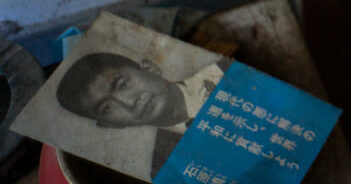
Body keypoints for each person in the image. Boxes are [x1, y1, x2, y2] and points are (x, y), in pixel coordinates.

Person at [56, 52, 229, 175]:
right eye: (107, 108)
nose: (129, 103)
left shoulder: (227, 67)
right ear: (111, 125)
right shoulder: (168, 169)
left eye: (122, 84)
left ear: (150, 68)